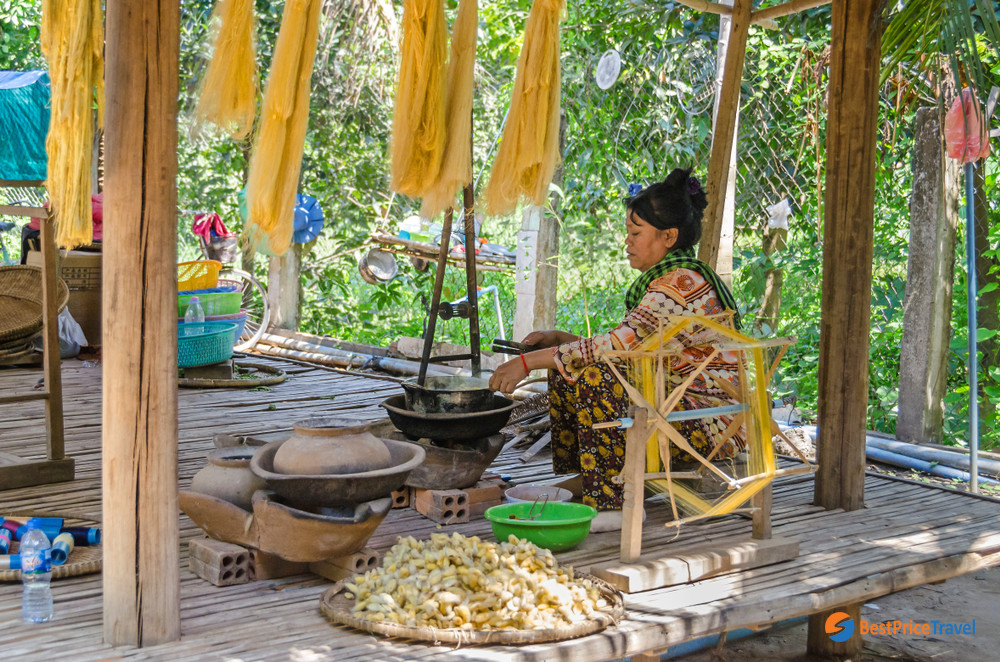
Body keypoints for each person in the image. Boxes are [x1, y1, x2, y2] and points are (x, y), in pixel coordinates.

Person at [488, 168, 743, 531]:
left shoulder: (679, 286)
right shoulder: (675, 279)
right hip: (684, 407)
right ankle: (591, 481)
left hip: (708, 423)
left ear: (669, 237)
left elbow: (613, 350)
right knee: (573, 367)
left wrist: (526, 362)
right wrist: (561, 340)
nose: (628, 242)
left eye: (636, 233)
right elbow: (625, 348)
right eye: (628, 233)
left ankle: (613, 504)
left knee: (591, 373)